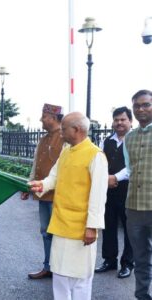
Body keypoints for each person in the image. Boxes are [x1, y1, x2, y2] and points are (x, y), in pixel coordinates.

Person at [29, 112, 108, 299]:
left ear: (77, 129)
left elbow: (98, 196)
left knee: (80, 278)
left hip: (81, 228)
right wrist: (42, 185)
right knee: (60, 274)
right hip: (61, 224)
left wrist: (92, 227)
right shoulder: (66, 151)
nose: (61, 133)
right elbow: (54, 177)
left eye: (64, 129)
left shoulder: (95, 156)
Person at [21, 103, 64, 279]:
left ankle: (61, 269)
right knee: (45, 231)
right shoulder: (43, 139)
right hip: (43, 193)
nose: (41, 119)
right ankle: (48, 267)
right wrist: (28, 186)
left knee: (59, 233)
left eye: (44, 116)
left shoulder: (65, 138)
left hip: (59, 196)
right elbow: (35, 165)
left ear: (53, 118)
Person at [94, 106, 134, 279]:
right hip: (108, 191)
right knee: (108, 226)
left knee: (128, 228)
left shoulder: (135, 140)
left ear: (130, 121)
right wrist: (105, 178)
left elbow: (134, 165)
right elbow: (99, 162)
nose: (119, 123)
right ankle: (109, 260)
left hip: (129, 190)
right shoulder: (106, 141)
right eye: (116, 119)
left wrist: (115, 177)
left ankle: (127, 264)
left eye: (123, 119)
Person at [124, 89, 152, 300]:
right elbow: (129, 169)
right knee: (141, 258)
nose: (141, 109)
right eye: (137, 106)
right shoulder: (129, 138)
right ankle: (142, 296)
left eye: (146, 104)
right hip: (134, 207)